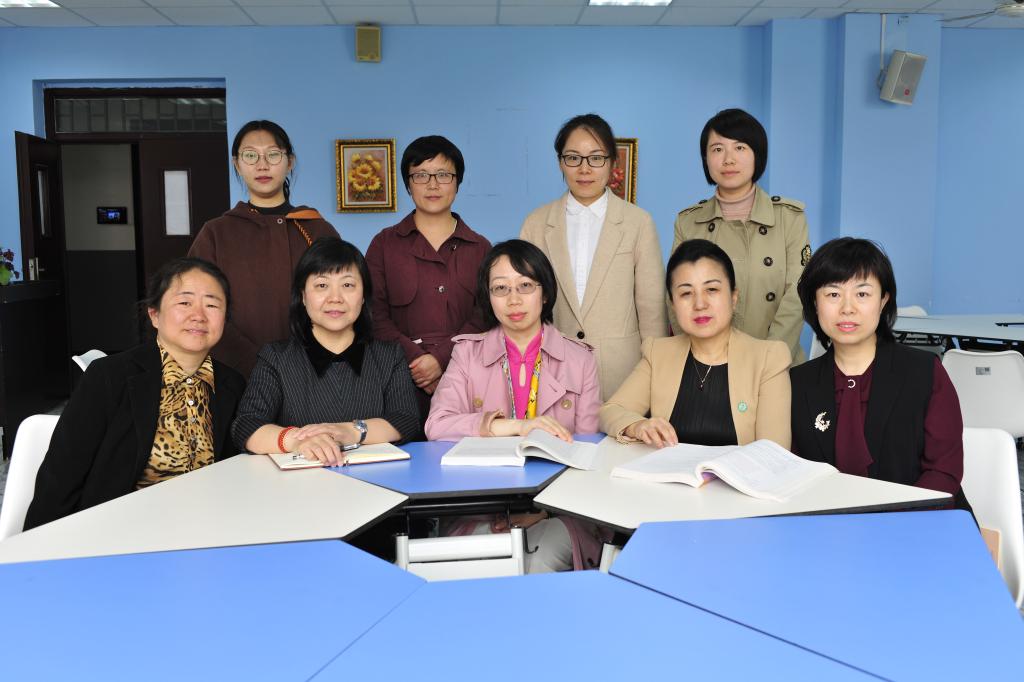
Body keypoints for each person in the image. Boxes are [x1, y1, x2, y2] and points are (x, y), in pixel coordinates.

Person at [25, 258, 245, 530]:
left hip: (205, 529)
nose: (199, 315)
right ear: (154, 315)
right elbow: (61, 476)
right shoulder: (109, 377)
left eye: (212, 305)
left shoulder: (232, 385)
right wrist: (40, 545)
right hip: (117, 532)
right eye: (184, 302)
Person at [425, 240, 603, 572]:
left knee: (537, 564)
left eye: (525, 286)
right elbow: (436, 424)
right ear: (488, 296)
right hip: (479, 507)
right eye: (500, 288)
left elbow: (587, 453)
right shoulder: (467, 354)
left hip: (560, 512)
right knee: (478, 568)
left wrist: (544, 511)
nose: (513, 300)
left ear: (545, 293)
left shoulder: (580, 360)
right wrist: (513, 426)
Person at [789, 237, 968, 506]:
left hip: (921, 519)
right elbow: (792, 475)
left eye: (862, 294)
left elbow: (943, 472)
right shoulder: (798, 382)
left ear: (883, 300)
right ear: (815, 302)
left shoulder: (925, 373)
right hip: (828, 524)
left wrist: (892, 522)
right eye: (833, 294)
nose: (847, 308)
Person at [232, 237, 419, 464]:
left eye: (347, 285)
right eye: (322, 285)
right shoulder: (276, 358)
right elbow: (247, 425)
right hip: (299, 482)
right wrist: (299, 441)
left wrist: (352, 431)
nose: (335, 298)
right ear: (303, 296)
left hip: (376, 479)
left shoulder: (389, 356)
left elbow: (406, 420)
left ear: (363, 297)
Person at [520, 113, 666, 400]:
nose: (584, 168)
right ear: (560, 162)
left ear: (612, 162)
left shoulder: (638, 222)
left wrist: (656, 375)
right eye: (573, 158)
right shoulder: (536, 224)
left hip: (623, 375)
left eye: (596, 158)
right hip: (551, 370)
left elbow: (652, 310)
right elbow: (523, 303)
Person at [601, 239, 791, 449]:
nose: (700, 304)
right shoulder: (658, 353)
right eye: (686, 293)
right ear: (673, 304)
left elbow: (773, 454)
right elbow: (610, 411)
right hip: (668, 471)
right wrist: (637, 425)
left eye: (712, 289)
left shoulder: (768, 359)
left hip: (741, 473)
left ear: (733, 297)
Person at [189, 120, 339, 378]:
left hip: (314, 374)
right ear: (237, 164)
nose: (262, 165)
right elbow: (199, 306)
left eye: (273, 154)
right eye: (250, 156)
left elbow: (343, 301)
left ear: (289, 162)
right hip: (236, 375)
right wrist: (254, 364)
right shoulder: (216, 233)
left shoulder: (317, 229)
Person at [365, 136, 491, 424]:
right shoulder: (383, 244)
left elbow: (485, 316)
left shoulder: (481, 248)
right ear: (408, 185)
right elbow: (373, 314)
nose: (432, 185)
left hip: (468, 380)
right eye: (421, 175)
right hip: (398, 380)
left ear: (457, 183)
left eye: (443, 175)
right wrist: (418, 362)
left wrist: (441, 359)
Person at [672, 108, 810, 363]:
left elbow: (798, 293)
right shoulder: (688, 222)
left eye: (740, 147)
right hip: (707, 364)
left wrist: (770, 358)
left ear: (758, 154)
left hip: (777, 361)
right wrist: (702, 358)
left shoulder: (789, 218)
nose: (728, 159)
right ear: (705, 159)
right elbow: (676, 295)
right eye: (717, 149)